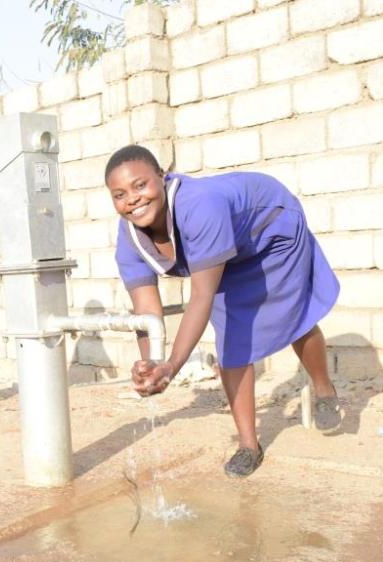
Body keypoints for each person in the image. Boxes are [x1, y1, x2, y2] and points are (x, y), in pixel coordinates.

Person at [105, 145, 342, 478]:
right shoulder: (129, 237)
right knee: (232, 339)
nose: (132, 199)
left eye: (140, 185)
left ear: (162, 176)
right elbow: (146, 311)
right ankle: (249, 445)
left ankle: (324, 389)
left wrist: (173, 366)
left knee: (292, 318)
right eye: (119, 195)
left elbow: (201, 296)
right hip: (225, 252)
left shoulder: (199, 205)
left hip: (270, 231)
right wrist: (153, 365)